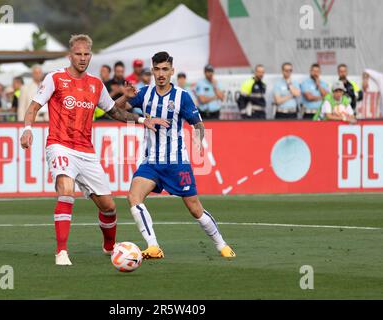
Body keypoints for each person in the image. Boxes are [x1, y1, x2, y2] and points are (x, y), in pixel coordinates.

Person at [19, 34, 168, 266]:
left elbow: (114, 112)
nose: (82, 58)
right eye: (78, 54)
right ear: (70, 55)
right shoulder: (55, 79)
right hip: (60, 145)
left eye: (86, 54)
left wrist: (141, 121)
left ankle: (110, 248)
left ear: (91, 55)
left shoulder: (96, 84)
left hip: (86, 151)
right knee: (66, 189)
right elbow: (33, 107)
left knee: (108, 207)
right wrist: (26, 130)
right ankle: (61, 252)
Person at [127, 51, 236, 259]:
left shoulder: (182, 97)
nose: (161, 74)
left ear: (172, 71)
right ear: (152, 70)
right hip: (151, 162)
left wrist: (198, 137)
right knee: (134, 196)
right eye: (157, 69)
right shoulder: (144, 94)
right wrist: (126, 95)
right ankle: (153, 246)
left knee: (195, 209)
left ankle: (221, 244)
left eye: (165, 69)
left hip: (177, 163)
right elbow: (117, 109)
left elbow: (198, 123)